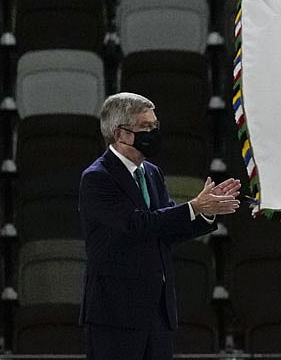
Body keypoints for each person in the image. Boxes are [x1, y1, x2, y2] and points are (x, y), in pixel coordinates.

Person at [79, 92, 242, 360]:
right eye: (145, 127)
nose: (153, 133)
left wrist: (205, 213)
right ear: (121, 134)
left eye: (155, 126)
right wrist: (193, 207)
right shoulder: (98, 178)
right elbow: (136, 224)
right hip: (116, 313)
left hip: (157, 311)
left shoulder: (151, 173)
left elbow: (164, 229)